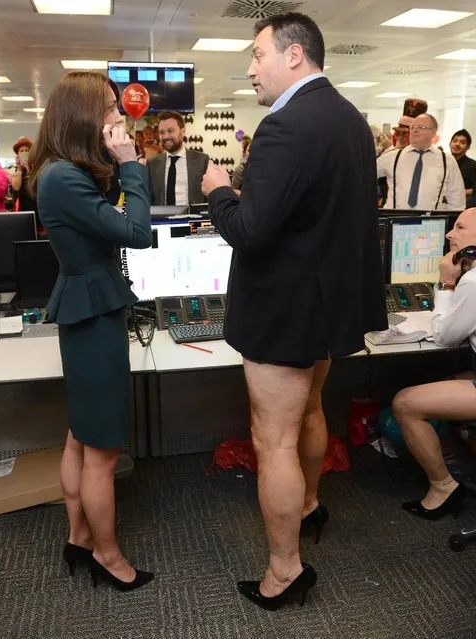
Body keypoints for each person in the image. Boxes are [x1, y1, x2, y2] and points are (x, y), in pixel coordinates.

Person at [202, 12, 387, 611]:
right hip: (327, 307)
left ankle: (284, 570)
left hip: (283, 311)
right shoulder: (353, 122)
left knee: (272, 439)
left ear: (294, 55)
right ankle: (308, 505)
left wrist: (218, 192)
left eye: (258, 55)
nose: (250, 69)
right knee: (311, 409)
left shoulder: (285, 126)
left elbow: (251, 232)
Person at [27, 71, 153, 591]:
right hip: (94, 312)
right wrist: (130, 166)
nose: (117, 116)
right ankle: (108, 554)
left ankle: (79, 537)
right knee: (101, 449)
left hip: (89, 306)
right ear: (81, 114)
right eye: (108, 107)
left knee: (81, 436)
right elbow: (137, 232)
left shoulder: (60, 172)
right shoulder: (62, 178)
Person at [392, 207, 476, 520]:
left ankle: (443, 487)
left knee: (405, 403)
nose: (449, 235)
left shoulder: (473, 282)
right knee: (450, 378)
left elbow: (445, 336)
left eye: (460, 227)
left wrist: (446, 283)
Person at [377, 113, 465, 211]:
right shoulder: (392, 157)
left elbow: (457, 201)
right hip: (395, 221)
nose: (414, 130)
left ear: (433, 131)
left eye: (421, 127)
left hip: (430, 222)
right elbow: (363, 172)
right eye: (412, 127)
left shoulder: (447, 161)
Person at [147, 111, 209, 205]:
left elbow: (210, 196)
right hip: (161, 219)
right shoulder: (152, 164)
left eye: (170, 131)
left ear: (183, 131)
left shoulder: (202, 161)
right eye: (162, 132)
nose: (166, 136)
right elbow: (150, 199)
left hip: (193, 218)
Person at [10, 136, 41, 226]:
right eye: (21, 151)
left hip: (37, 208)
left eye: (27, 150)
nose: (24, 153)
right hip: (22, 210)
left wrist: (29, 168)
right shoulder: (16, 170)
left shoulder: (37, 168)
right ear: (18, 154)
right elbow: (16, 187)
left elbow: (37, 186)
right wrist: (19, 169)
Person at [450, 129, 476, 206]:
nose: (457, 144)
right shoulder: (443, 163)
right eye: (455, 141)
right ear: (450, 143)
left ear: (468, 147)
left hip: (463, 208)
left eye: (462, 142)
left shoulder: (473, 166)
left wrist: (456, 193)